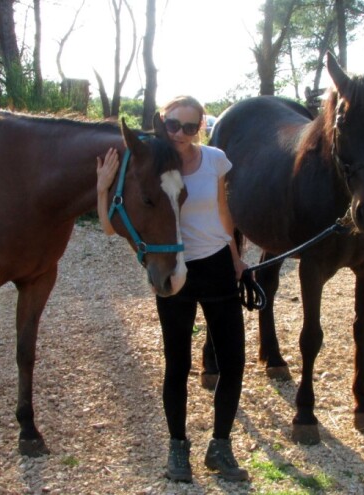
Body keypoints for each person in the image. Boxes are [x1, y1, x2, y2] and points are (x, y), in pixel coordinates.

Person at [96, 96, 249, 482]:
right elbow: (112, 225)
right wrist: (101, 189)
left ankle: (221, 446)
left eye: (190, 126)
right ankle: (178, 447)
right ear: (163, 123)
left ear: (201, 128)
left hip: (216, 266)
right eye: (173, 125)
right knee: (177, 364)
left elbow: (223, 212)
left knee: (233, 362)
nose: (180, 133)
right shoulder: (155, 162)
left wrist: (236, 256)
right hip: (176, 269)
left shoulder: (214, 159)